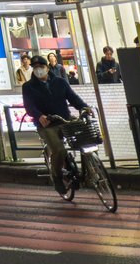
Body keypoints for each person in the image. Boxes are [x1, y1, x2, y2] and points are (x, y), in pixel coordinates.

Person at [22, 53, 89, 187]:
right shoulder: (28, 87)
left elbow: (72, 97)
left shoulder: (60, 82)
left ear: (47, 68)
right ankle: (57, 176)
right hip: (46, 125)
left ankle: (89, 167)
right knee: (59, 150)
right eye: (34, 67)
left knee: (87, 135)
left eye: (40, 66)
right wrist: (39, 115)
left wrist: (84, 107)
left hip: (65, 119)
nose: (38, 69)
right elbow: (29, 106)